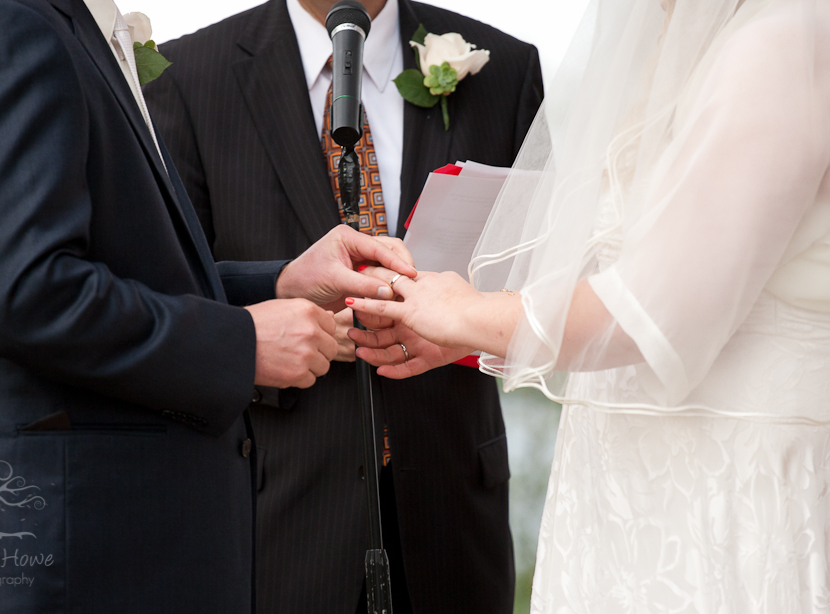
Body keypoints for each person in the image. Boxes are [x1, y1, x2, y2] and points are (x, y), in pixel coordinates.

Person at [0, 0, 415, 611]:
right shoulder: (0, 24)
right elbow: (22, 293)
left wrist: (279, 282)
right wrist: (242, 344)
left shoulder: (55, 23)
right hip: (51, 562)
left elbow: (114, 268)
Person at [348, 0, 830, 610]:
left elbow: (655, 309)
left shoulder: (782, 43)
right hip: (620, 492)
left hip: (729, 494)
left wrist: (466, 312)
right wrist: (472, 330)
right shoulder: (674, 50)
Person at [143, 1, 543, 612]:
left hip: (454, 513)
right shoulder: (184, 74)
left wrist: (467, 326)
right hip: (272, 516)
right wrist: (260, 340)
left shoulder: (505, 68)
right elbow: (167, 297)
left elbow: (543, 283)